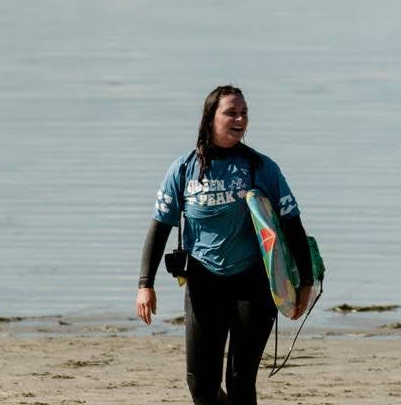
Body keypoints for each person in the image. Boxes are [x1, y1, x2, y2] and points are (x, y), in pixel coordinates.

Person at [135, 85, 314, 405]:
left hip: (255, 284)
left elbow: (291, 223)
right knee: (200, 386)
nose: (240, 118)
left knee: (240, 380)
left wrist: (305, 280)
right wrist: (145, 284)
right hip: (204, 283)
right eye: (231, 112)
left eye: (244, 112)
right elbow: (160, 226)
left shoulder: (261, 168)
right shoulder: (184, 169)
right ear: (210, 118)